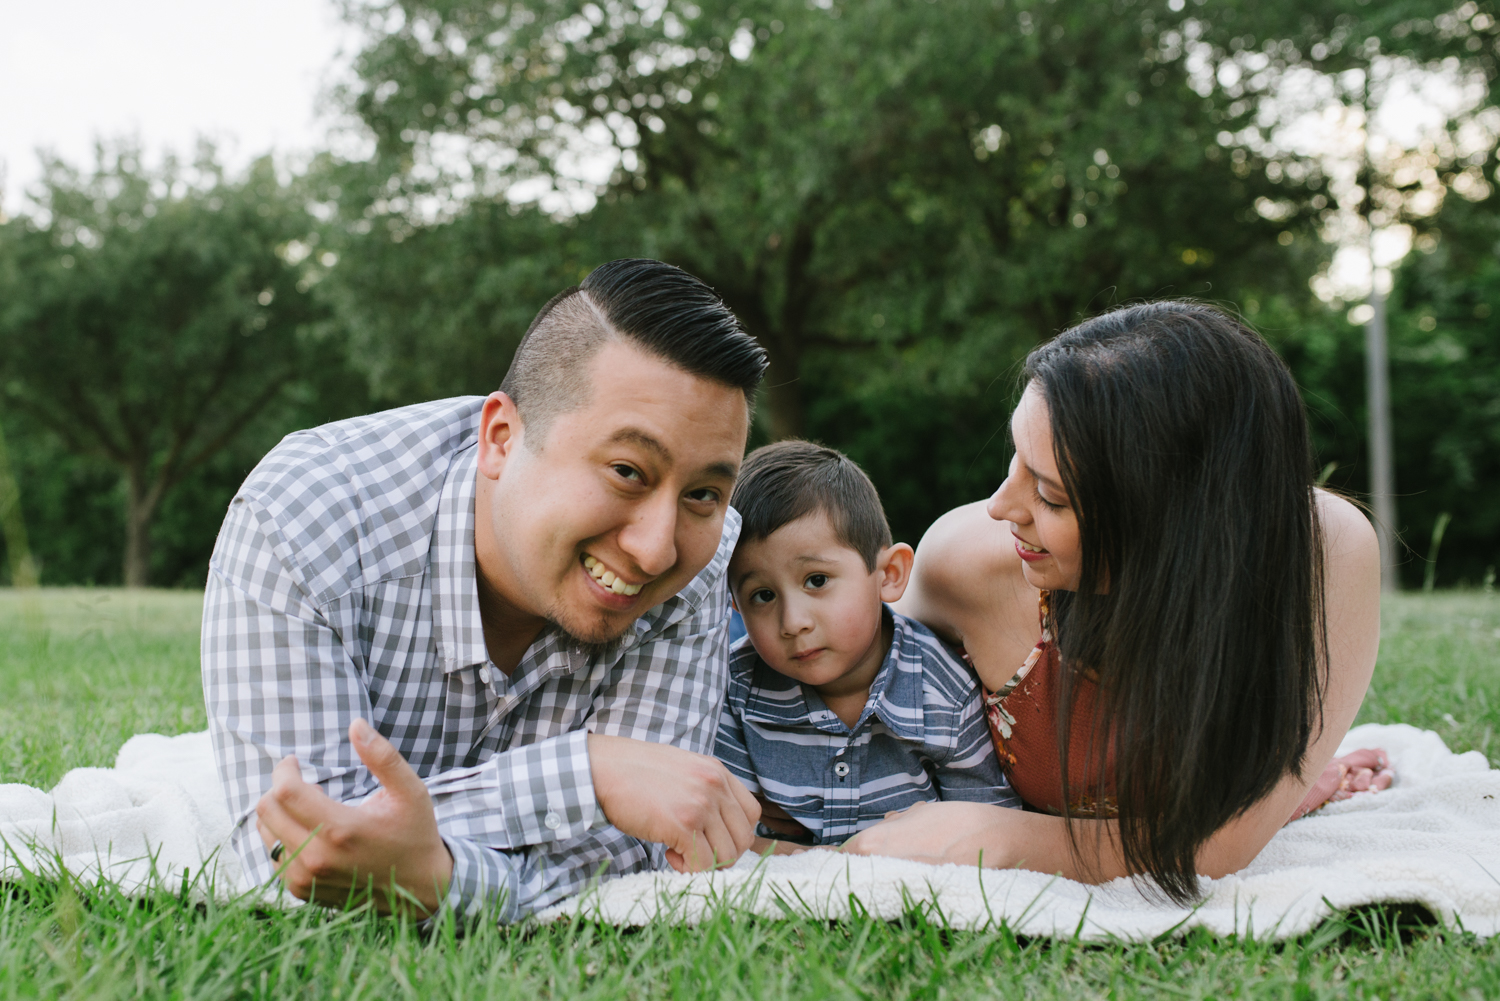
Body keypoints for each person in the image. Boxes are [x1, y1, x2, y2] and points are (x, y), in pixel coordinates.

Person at [202, 259, 768, 922]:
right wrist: (590, 773)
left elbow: (637, 849)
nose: (658, 547)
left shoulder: (699, 552)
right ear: (501, 437)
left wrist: (438, 874)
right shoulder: (303, 519)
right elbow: (299, 856)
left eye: (702, 493)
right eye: (626, 471)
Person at [841, 301, 1394, 903]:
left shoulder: (1320, 553)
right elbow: (825, 695)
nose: (1001, 506)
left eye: (1050, 496)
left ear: (1177, 529)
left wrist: (1000, 838)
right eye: (1016, 459)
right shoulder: (966, 564)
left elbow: (1219, 847)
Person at [713, 441, 1018, 855]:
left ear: (888, 575)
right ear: (734, 605)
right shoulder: (736, 687)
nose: (792, 621)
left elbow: (986, 830)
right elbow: (722, 837)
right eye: (762, 596)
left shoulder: (943, 691)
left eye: (816, 580)